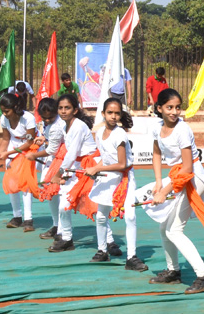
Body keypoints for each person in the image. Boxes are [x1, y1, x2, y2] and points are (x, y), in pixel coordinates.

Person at [138, 88, 204, 294]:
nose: (174, 112)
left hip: (194, 178)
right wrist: (158, 182)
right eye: (169, 107)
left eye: (178, 107)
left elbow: (187, 168)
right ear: (159, 108)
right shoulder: (156, 127)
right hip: (178, 178)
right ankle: (173, 271)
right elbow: (157, 153)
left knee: (174, 230)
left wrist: (164, 191)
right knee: (164, 228)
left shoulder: (182, 129)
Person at [46, 94, 123, 257]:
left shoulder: (78, 126)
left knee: (96, 205)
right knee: (64, 204)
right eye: (60, 108)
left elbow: (72, 151)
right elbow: (66, 150)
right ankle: (67, 238)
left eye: (67, 108)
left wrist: (59, 172)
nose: (63, 111)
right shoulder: (63, 125)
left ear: (75, 110)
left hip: (89, 167)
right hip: (75, 167)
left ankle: (109, 241)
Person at [85, 98, 148, 271]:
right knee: (100, 216)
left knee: (130, 216)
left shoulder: (119, 134)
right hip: (107, 177)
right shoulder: (99, 134)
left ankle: (131, 257)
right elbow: (105, 158)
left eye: (117, 113)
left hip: (124, 179)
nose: (113, 116)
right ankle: (102, 250)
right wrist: (95, 169)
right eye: (110, 112)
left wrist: (98, 168)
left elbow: (122, 165)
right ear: (103, 113)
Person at [0, 93, 37, 231]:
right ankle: (17, 216)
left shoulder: (28, 118)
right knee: (12, 183)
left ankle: (28, 219)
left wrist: (8, 154)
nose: (4, 114)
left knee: (25, 184)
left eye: (7, 111)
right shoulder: (4, 119)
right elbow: (5, 139)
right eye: (2, 111)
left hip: (28, 150)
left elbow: (29, 141)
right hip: (13, 146)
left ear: (15, 107)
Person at [25, 98, 66, 239]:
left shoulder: (57, 125)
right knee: (50, 193)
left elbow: (53, 150)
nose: (47, 120)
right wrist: (44, 138)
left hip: (61, 161)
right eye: (44, 118)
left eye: (50, 117)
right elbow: (51, 141)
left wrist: (33, 155)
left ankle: (62, 229)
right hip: (51, 161)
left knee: (60, 194)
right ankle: (56, 225)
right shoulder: (48, 124)